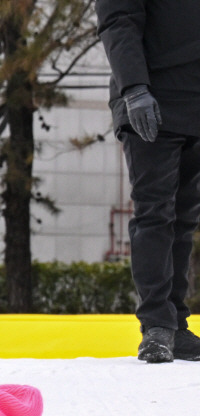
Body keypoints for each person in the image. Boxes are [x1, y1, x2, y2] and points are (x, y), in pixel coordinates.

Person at [96, 0, 200, 362]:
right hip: (150, 98)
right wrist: (134, 88)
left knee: (185, 218)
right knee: (155, 213)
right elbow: (117, 21)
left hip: (194, 101)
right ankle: (156, 325)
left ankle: (176, 323)